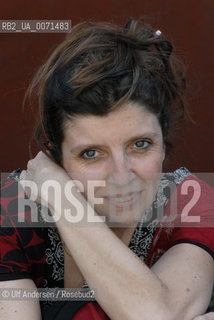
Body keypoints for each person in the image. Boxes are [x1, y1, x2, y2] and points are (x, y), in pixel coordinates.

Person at [0, 18, 214, 320]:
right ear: (56, 155)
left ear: (164, 140)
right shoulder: (12, 217)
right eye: (91, 153)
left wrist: (63, 200)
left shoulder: (191, 206)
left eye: (140, 144)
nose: (121, 176)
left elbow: (154, 315)